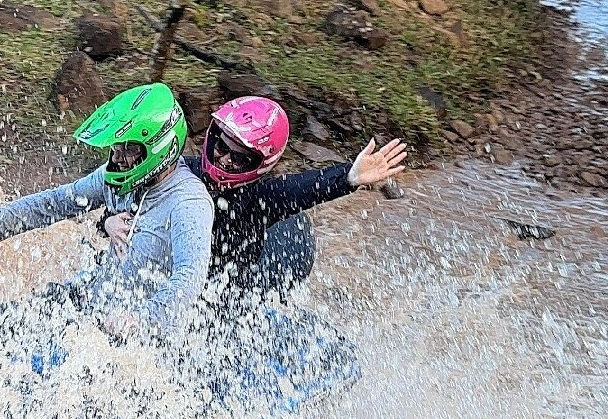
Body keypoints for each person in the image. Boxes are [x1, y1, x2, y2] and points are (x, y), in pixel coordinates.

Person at [0, 83, 214, 343]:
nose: (117, 158)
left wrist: (140, 320)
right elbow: (58, 202)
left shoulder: (188, 203)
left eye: (128, 148)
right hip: (87, 301)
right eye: (115, 147)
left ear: (160, 146)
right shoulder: (119, 175)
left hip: (134, 337)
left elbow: (189, 277)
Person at [104, 96, 407, 303]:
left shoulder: (263, 197)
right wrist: (108, 222)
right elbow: (124, 197)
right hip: (172, 277)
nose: (224, 159)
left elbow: (304, 188)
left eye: (239, 158)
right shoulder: (181, 172)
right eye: (222, 147)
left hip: (230, 292)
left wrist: (349, 178)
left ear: (259, 164)